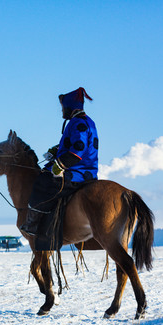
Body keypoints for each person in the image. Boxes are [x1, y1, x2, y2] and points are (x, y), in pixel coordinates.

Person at [20, 87, 98, 238]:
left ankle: (33, 225)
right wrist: (55, 151)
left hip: (77, 173)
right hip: (84, 170)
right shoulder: (86, 121)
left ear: (69, 107)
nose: (62, 111)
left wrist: (59, 165)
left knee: (42, 182)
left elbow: (78, 149)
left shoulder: (78, 123)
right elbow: (74, 144)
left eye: (63, 107)